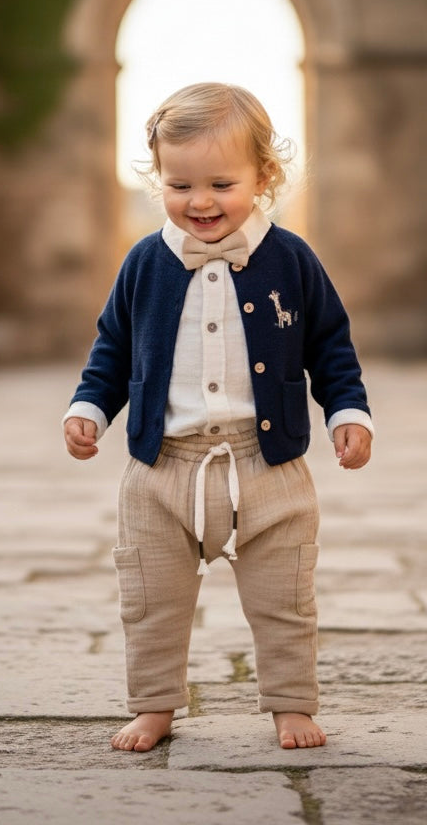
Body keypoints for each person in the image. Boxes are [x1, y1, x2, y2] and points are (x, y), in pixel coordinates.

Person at [63, 82, 373, 753]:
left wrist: (348, 411)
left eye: (221, 185)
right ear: (158, 179)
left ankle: (291, 702)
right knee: (150, 597)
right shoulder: (145, 263)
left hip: (269, 466)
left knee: (284, 596)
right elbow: (113, 346)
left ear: (264, 176)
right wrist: (89, 407)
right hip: (162, 467)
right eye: (180, 186)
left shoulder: (292, 259)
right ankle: (154, 705)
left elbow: (330, 344)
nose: (200, 202)